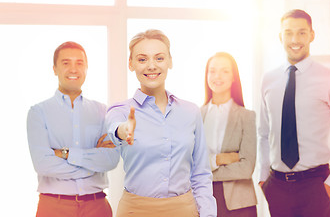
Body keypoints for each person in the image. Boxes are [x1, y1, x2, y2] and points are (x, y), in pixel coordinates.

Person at [257, 9, 330, 217]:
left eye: (302, 32)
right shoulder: (268, 80)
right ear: (280, 37)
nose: (295, 39)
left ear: (312, 35)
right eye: (288, 33)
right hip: (277, 187)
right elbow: (263, 133)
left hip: (316, 187)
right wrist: (263, 179)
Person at [105, 29, 217, 217]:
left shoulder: (190, 112)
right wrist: (123, 130)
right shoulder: (121, 111)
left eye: (159, 58)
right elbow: (114, 129)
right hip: (135, 210)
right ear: (130, 64)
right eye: (142, 59)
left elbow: (201, 174)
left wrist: (208, 214)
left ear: (170, 61)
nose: (151, 66)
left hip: (184, 210)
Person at [27, 41, 120, 217]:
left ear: (86, 68)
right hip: (53, 206)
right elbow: (43, 164)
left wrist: (64, 153)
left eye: (79, 63)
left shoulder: (102, 111)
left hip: (97, 206)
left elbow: (110, 160)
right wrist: (92, 165)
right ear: (54, 69)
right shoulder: (38, 112)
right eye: (66, 63)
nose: (73, 69)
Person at [201, 52, 258, 216]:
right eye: (212, 71)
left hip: (239, 204)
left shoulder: (246, 116)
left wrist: (207, 169)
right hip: (203, 200)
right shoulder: (195, 116)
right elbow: (189, 164)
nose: (217, 76)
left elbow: (246, 168)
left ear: (234, 77)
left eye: (225, 71)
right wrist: (219, 159)